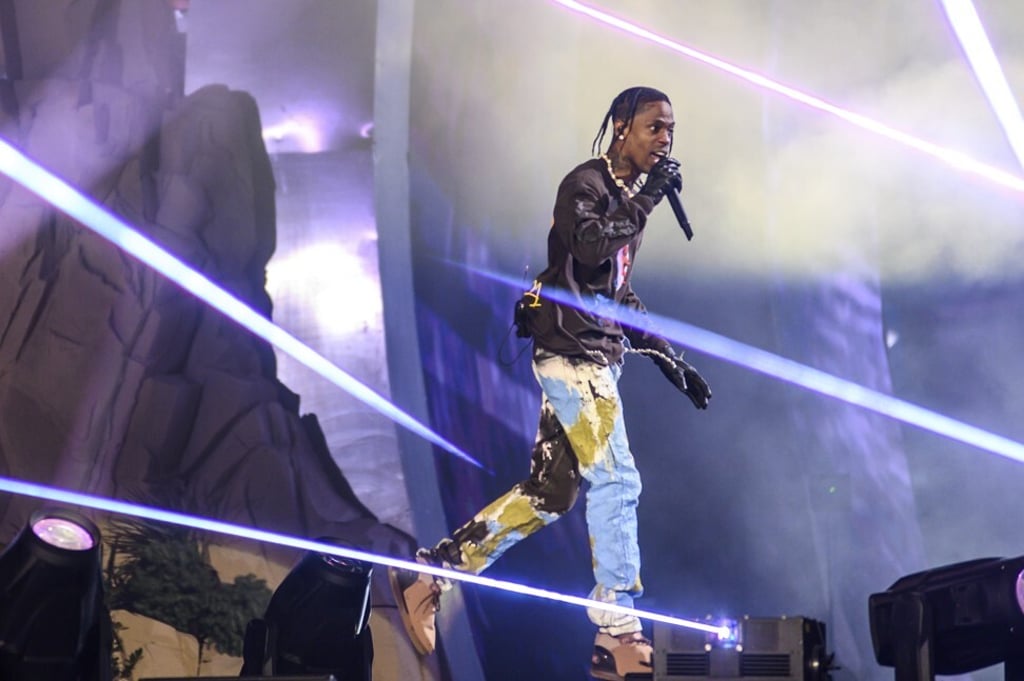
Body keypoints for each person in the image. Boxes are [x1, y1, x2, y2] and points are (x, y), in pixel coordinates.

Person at [389, 86, 712, 681]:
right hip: (573, 356)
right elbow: (589, 250)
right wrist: (648, 200)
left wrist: (669, 358)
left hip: (595, 353)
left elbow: (614, 293)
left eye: (671, 129)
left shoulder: (626, 202)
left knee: (550, 494)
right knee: (617, 478)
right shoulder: (585, 186)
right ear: (621, 126)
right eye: (655, 127)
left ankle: (432, 573)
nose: (666, 140)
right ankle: (619, 629)